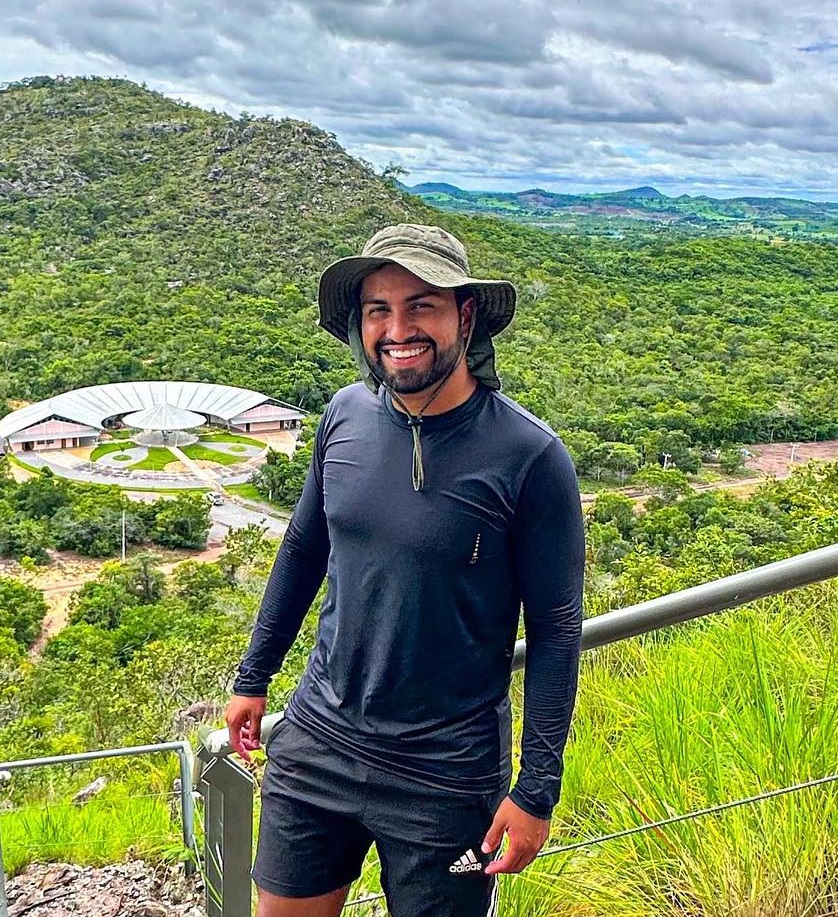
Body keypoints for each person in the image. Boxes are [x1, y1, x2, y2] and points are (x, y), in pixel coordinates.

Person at [224, 224, 586, 917]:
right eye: (378, 310)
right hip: (320, 737)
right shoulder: (345, 414)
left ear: (466, 315)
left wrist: (537, 789)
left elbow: (556, 628)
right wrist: (253, 675)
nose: (397, 330)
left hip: (446, 774)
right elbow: (303, 548)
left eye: (422, 305)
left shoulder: (529, 456)